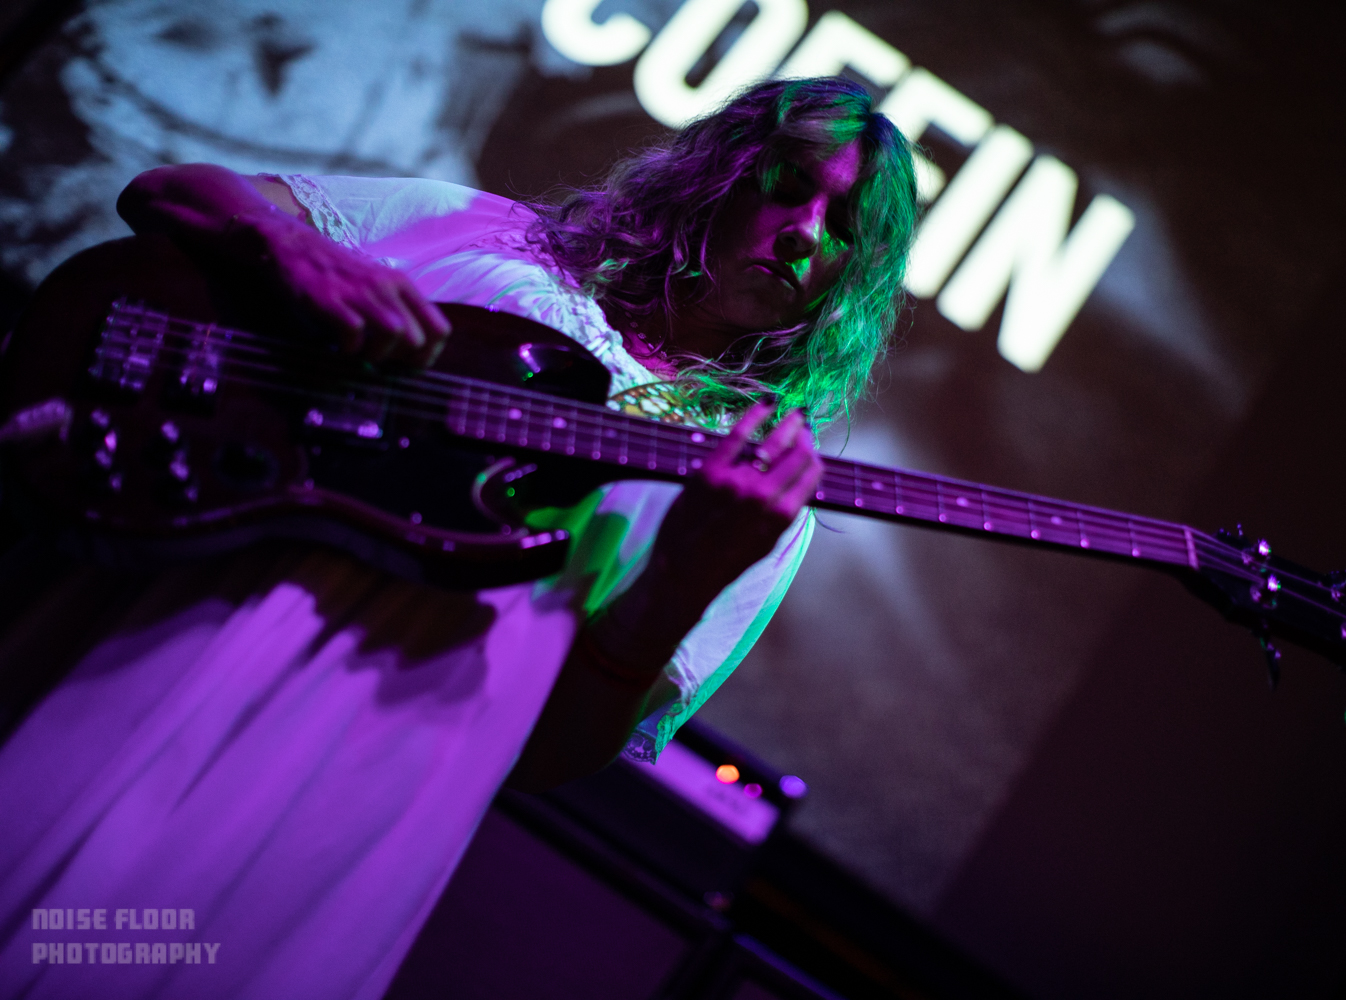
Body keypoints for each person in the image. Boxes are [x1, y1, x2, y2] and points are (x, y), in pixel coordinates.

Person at [0, 76, 917, 998]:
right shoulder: (489, 236)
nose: (806, 232)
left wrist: (682, 578)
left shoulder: (758, 485)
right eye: (789, 184)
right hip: (180, 626)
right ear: (719, 170)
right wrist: (289, 248)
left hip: (364, 783)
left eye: (845, 228)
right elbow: (169, 191)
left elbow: (552, 757)